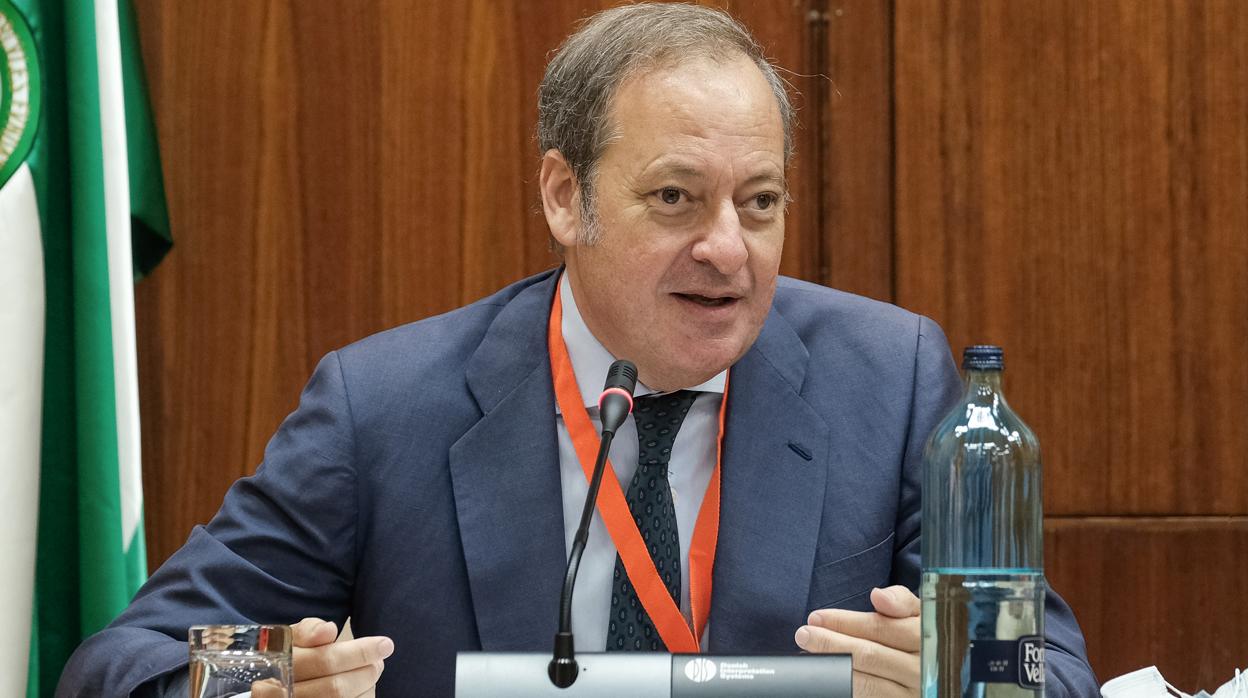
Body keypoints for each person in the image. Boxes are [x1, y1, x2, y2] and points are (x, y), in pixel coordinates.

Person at [58, 4, 1099, 696]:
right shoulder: (384, 407)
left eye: (761, 201)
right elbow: (120, 660)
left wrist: (962, 674)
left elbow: (1051, 665)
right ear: (566, 196)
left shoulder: (894, 376)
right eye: (675, 197)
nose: (728, 248)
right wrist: (267, 672)